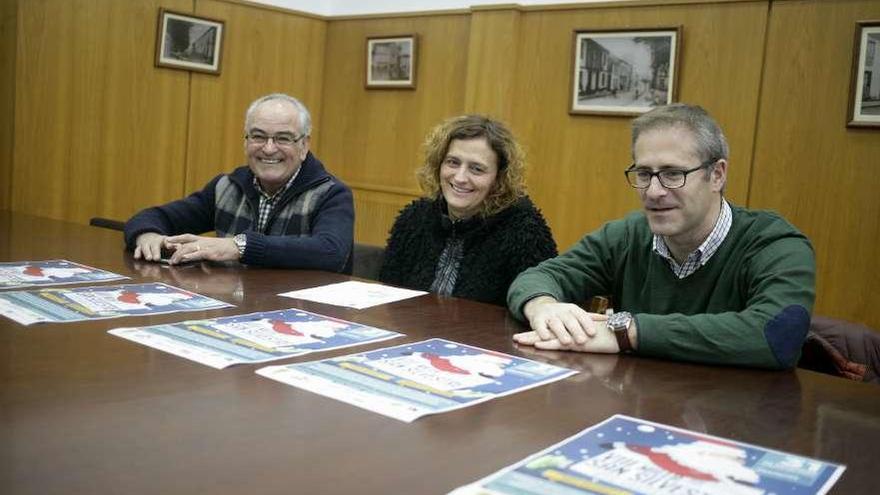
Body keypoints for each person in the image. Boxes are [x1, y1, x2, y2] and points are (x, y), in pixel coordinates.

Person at [508, 103, 815, 369]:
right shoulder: (627, 235)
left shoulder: (775, 244)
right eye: (644, 174)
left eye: (672, 174)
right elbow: (538, 278)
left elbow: (778, 335)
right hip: (641, 410)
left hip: (739, 419)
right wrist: (543, 307)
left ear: (717, 175)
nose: (653, 192)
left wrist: (627, 331)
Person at [124, 93, 354, 272]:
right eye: (258, 136)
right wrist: (147, 236)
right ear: (246, 142)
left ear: (304, 146)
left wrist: (239, 246)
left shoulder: (330, 193)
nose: (269, 148)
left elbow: (331, 252)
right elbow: (152, 217)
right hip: (237, 307)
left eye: (283, 138)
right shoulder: (227, 186)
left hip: (303, 318)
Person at [379, 115, 557, 306]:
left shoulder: (525, 231)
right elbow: (388, 297)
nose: (460, 177)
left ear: (499, 179)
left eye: (477, 169)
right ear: (438, 165)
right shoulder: (413, 218)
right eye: (453, 162)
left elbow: (533, 313)